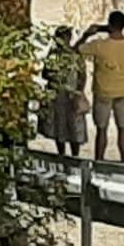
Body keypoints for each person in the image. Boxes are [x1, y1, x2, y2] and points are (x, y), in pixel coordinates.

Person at [83, 9, 124, 161]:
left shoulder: (99, 46)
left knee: (101, 130)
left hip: (103, 91)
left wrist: (87, 34)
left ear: (109, 25)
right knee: (123, 129)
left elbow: (75, 50)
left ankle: (99, 159)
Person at [37, 24, 88, 158]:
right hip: (60, 95)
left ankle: (72, 156)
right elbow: (45, 74)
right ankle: (64, 155)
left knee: (70, 126)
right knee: (62, 126)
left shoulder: (71, 55)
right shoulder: (58, 55)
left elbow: (82, 76)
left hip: (67, 95)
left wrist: (78, 92)